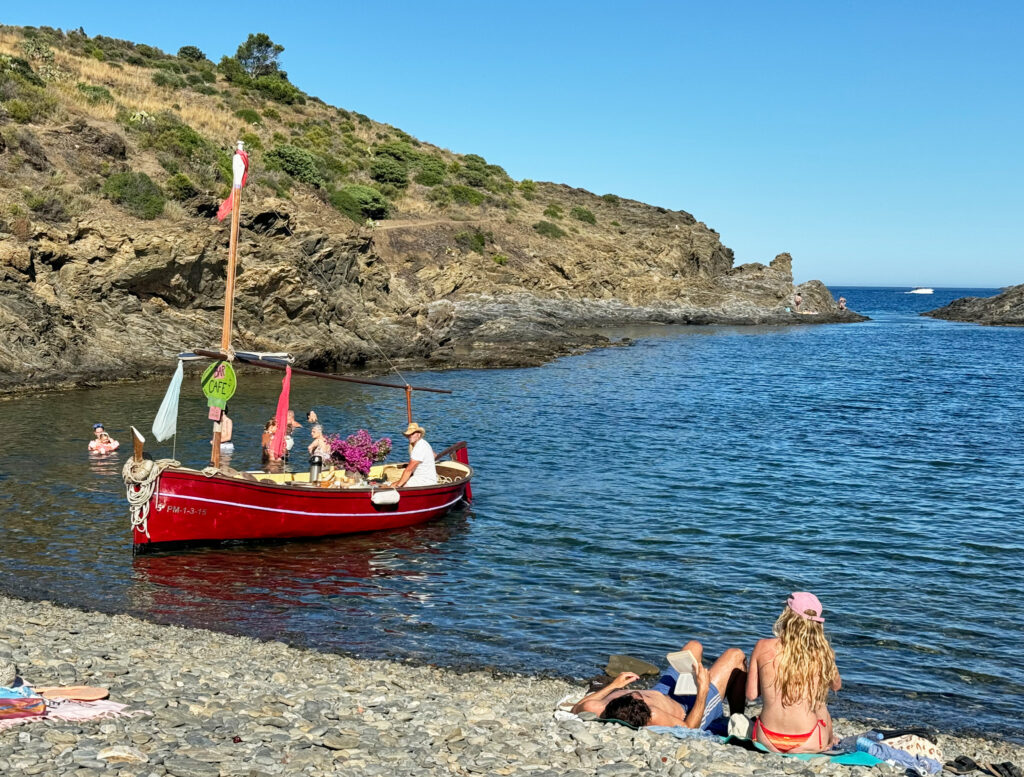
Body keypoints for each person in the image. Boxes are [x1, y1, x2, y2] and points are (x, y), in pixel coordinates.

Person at [571, 640, 747, 731]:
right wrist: (702, 690)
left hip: (662, 691)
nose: (637, 693)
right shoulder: (654, 716)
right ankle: (737, 718)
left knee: (694, 646)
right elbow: (689, 729)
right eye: (641, 696)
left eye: (634, 694)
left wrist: (614, 685)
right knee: (735, 655)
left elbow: (576, 708)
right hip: (690, 706)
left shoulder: (597, 707)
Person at [746, 592, 841, 754]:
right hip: (809, 741)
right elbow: (836, 686)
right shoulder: (823, 653)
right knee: (820, 704)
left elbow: (751, 694)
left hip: (767, 738)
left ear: (788, 616)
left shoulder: (763, 646)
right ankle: (830, 741)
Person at [390, 422, 437, 488]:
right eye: (409, 434)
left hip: (424, 481)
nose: (410, 436)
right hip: (428, 478)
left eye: (413, 433)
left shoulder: (419, 447)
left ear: (419, 434)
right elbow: (434, 455)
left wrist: (398, 486)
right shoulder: (424, 443)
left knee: (393, 485)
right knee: (393, 483)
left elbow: (409, 470)